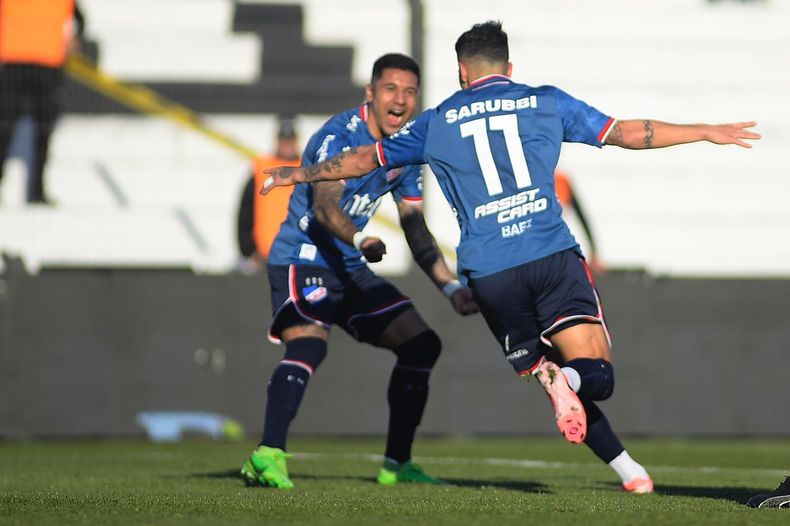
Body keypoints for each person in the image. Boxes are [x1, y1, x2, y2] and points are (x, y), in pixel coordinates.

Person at [261, 21, 760, 493]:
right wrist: (704, 130)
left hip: (489, 274)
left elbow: (364, 159)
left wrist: (295, 175)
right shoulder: (544, 101)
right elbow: (628, 133)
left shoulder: (434, 123)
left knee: (548, 377)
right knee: (594, 373)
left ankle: (630, 470)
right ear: (509, 68)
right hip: (549, 255)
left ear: (462, 72)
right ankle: (570, 382)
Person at [240, 53, 479, 490]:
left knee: (422, 345)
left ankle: (396, 465)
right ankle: (267, 454)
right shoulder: (338, 137)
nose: (400, 101)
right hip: (304, 259)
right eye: (390, 89)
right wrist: (359, 239)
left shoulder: (404, 151)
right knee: (309, 345)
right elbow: (327, 206)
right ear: (370, 94)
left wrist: (449, 288)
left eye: (409, 92)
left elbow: (413, 224)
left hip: (350, 268)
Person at [0, 0, 84, 204]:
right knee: (5, 128)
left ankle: (37, 190)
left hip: (48, 62)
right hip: (15, 60)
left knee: (43, 129)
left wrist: (75, 38)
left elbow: (80, 19)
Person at [237, 117, 301, 272]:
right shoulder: (262, 170)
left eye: (290, 141)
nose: (287, 146)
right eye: (283, 141)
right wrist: (248, 249)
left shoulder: (306, 169)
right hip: (264, 255)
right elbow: (246, 211)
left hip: (299, 255)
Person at [554, 169, 603, 272]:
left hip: (560, 248)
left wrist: (594, 252)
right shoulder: (532, 180)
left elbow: (582, 217)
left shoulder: (562, 181)